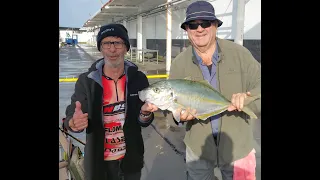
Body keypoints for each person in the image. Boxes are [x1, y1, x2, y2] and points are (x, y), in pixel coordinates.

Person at [167, 1, 261, 180]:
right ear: (187, 30)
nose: (199, 29)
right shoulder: (179, 63)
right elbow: (171, 109)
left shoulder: (240, 54)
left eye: (206, 23)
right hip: (198, 150)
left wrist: (249, 99)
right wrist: (177, 117)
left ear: (216, 25)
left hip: (237, 148)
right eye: (193, 25)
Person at [63, 23, 158, 180]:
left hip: (131, 161)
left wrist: (145, 114)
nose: (112, 50)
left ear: (126, 47)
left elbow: (143, 121)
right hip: (98, 164)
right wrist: (73, 122)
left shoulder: (139, 79)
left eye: (118, 43)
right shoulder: (87, 81)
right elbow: (73, 113)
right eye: (107, 43)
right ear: (100, 47)